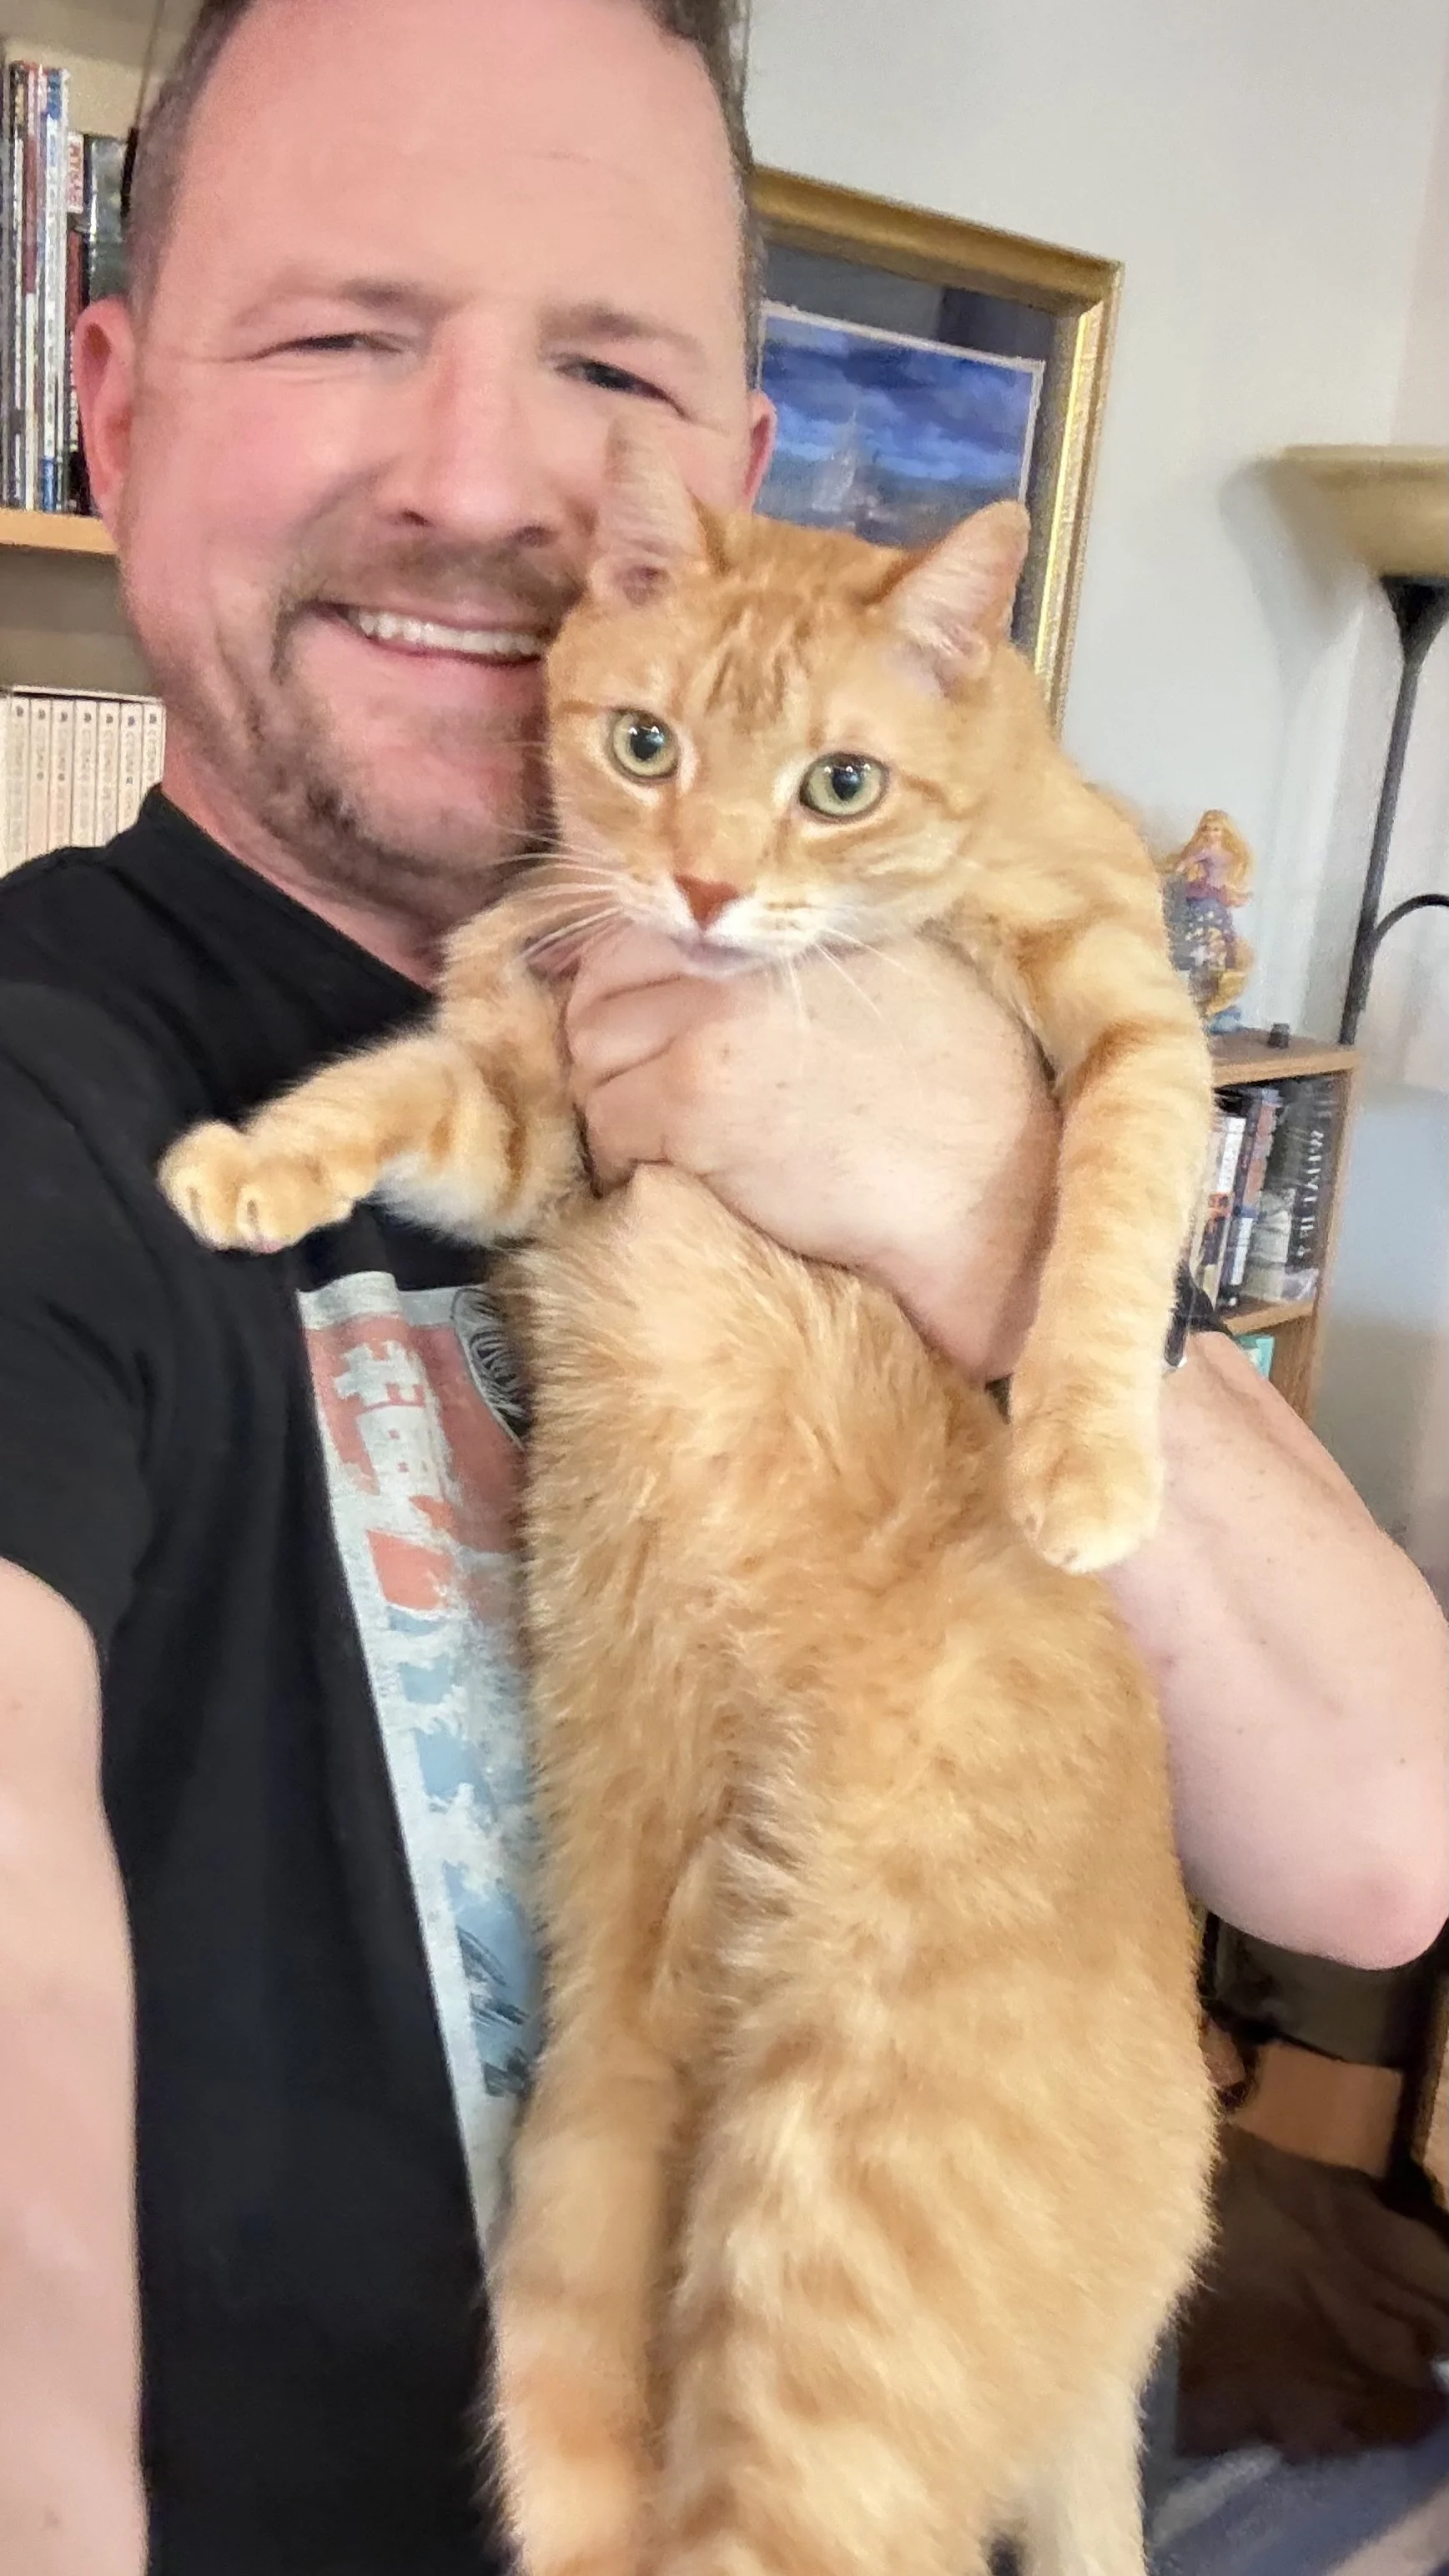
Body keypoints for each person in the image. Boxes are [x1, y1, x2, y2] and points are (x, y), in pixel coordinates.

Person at [0, 0, 1443, 2568]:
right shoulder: (56, 1105)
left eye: (603, 364)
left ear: (727, 487)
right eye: (341, 330)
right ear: (108, 409)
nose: (482, 482)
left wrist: (981, 1202)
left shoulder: (926, 1020)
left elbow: (1376, 1847)